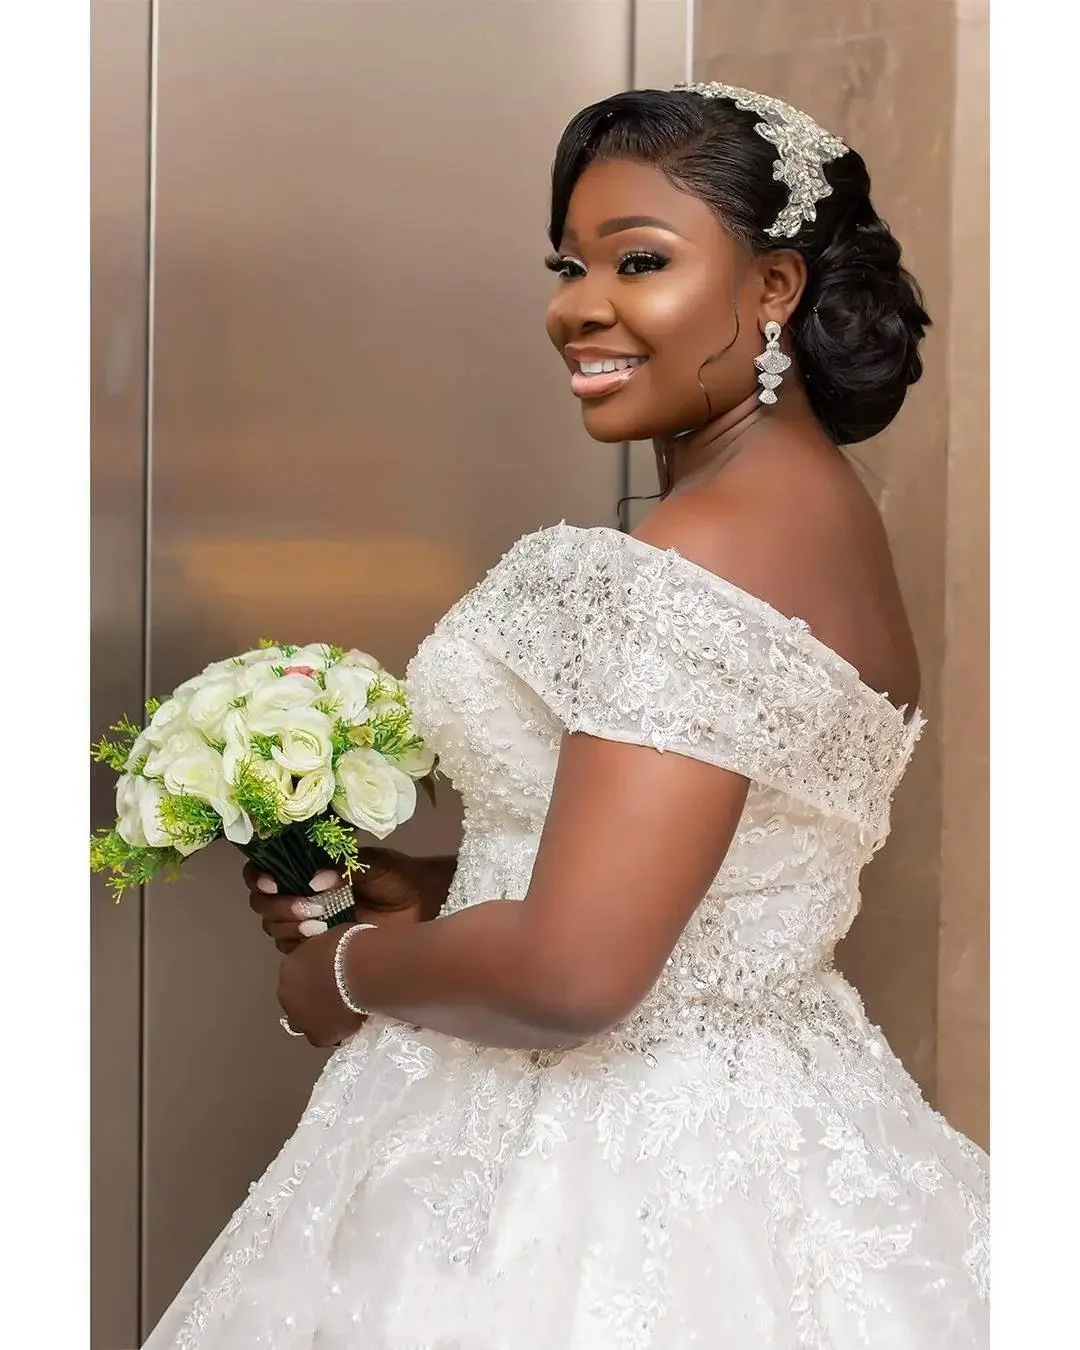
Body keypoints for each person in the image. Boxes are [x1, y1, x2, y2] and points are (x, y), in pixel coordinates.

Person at [145, 84, 988, 1348]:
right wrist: (437, 885)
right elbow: (710, 863)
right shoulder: (819, 515)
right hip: (770, 1119)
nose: (577, 307)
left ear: (773, 290)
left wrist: (339, 974)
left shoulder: (703, 551)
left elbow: (576, 969)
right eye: (569, 264)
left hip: (598, 1170)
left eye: (638, 261)